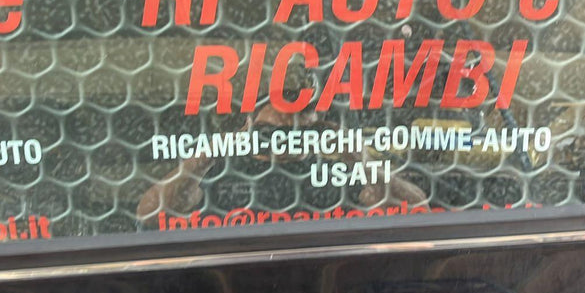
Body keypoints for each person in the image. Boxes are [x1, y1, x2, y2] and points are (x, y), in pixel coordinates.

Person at [136, 102, 429, 225]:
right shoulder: (220, 172)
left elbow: (417, 211)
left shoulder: (336, 173)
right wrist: (208, 154)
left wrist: (360, 159)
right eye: (271, 132)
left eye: (300, 132)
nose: (284, 141)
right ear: (249, 128)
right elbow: (148, 214)